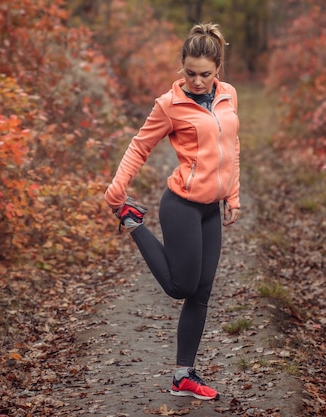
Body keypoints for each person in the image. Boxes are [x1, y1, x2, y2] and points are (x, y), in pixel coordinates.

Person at [104, 22, 240, 401]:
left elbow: (232, 146)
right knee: (180, 287)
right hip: (181, 205)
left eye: (205, 74)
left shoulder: (228, 95)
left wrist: (233, 194)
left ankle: (183, 377)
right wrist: (117, 189)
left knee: (201, 294)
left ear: (218, 70)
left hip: (211, 209)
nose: (197, 81)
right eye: (190, 73)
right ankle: (132, 221)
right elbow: (139, 146)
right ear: (181, 67)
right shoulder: (169, 104)